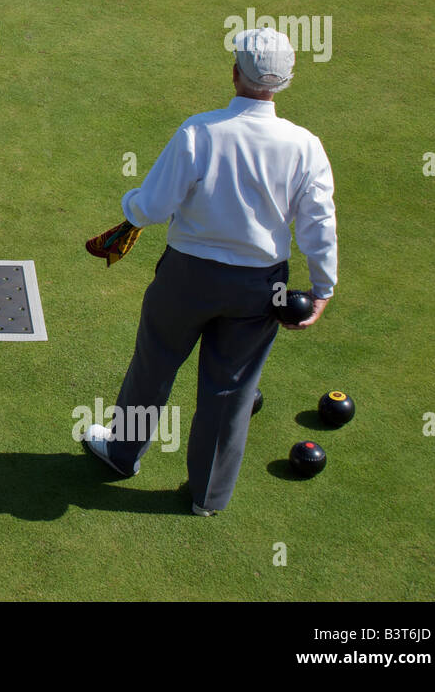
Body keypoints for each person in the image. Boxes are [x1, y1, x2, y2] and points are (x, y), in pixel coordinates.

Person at [81, 27, 338, 516]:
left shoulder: (200, 131)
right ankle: (207, 497)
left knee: (153, 365)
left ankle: (121, 453)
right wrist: (322, 287)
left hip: (187, 276)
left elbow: (152, 207)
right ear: (286, 81)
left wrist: (130, 206)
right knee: (231, 390)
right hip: (261, 286)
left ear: (235, 73)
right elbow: (319, 224)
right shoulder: (306, 146)